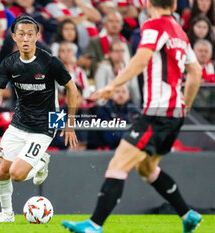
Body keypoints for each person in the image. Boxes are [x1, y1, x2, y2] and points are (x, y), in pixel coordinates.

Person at [62, 1, 202, 233]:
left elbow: (142, 58)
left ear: (147, 3)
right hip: (174, 112)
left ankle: (94, 225)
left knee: (118, 164)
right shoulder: (179, 31)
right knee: (147, 169)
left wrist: (111, 86)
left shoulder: (154, 25)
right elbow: (195, 73)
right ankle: (187, 215)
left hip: (158, 112)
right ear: (175, 4)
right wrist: (184, 106)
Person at [0, 15, 78, 222]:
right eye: (21, 34)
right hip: (19, 123)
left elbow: (72, 89)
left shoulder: (50, 62)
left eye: (29, 34)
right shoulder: (9, 63)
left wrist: (69, 123)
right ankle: (7, 214)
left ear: (37, 36)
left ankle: (41, 161)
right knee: (3, 172)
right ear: (14, 37)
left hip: (44, 126)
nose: (25, 38)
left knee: (17, 174)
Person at [94, 40, 141, 106]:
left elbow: (134, 90)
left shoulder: (128, 68)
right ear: (110, 53)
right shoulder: (102, 68)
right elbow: (99, 90)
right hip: (108, 105)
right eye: (116, 51)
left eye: (122, 51)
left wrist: (137, 106)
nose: (120, 53)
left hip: (126, 104)